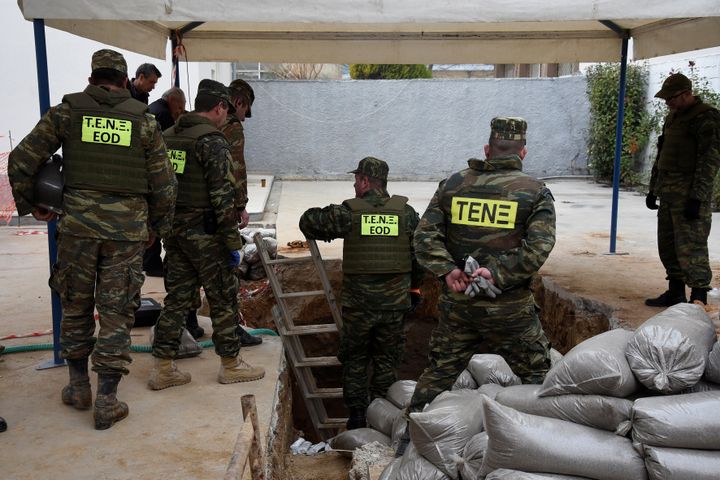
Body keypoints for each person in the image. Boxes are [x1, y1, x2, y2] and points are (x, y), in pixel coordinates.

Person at [8, 49, 177, 430]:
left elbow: (21, 160)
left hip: (78, 229)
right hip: (126, 232)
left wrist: (32, 204)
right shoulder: (143, 121)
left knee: (76, 304)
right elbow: (165, 183)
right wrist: (157, 228)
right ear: (123, 80)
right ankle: (107, 400)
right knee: (116, 311)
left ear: (92, 77)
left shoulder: (67, 113)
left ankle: (78, 386)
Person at [396, 117, 555, 454]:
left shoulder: (453, 185)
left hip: (459, 305)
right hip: (510, 310)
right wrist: (496, 274)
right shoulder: (534, 191)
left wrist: (448, 271)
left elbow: (424, 236)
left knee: (438, 374)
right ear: (522, 152)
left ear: (487, 149)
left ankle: (406, 443)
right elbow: (538, 248)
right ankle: (548, 448)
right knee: (539, 378)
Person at [147, 79, 265, 391]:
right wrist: (231, 242)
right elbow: (222, 196)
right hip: (206, 233)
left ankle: (162, 367)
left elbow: (157, 184)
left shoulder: (169, 135)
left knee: (178, 298)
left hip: (175, 232)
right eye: (226, 110)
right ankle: (231, 364)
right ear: (219, 107)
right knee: (223, 296)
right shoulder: (212, 141)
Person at [299, 157, 422, 430]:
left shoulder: (349, 213)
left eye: (357, 179)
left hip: (359, 307)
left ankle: (356, 419)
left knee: (355, 361)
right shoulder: (407, 214)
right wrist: (414, 289)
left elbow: (307, 221)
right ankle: (381, 421)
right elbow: (419, 255)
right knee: (387, 362)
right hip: (393, 307)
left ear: (366, 181)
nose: (354, 184)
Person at [645, 73, 720, 306]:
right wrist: (653, 189)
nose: (668, 103)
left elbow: (710, 161)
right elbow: (662, 154)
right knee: (667, 245)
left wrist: (697, 198)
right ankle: (675, 292)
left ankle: (698, 297)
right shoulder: (673, 118)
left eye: (671, 98)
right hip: (668, 193)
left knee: (692, 247)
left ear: (687, 94)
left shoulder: (707, 118)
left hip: (689, 194)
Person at [220, 78, 262, 346]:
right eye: (244, 111)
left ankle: (187, 325)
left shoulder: (191, 124)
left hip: (188, 211)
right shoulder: (232, 127)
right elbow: (236, 167)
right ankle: (230, 332)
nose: (244, 118)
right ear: (238, 102)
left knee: (185, 275)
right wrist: (241, 205)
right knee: (227, 270)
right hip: (220, 210)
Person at [143, 87, 187, 277]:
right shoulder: (164, 115)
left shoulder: (152, 108)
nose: (180, 112)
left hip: (145, 175)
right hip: (155, 176)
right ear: (173, 101)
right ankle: (152, 264)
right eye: (180, 108)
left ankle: (149, 261)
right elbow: (169, 145)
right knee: (156, 221)